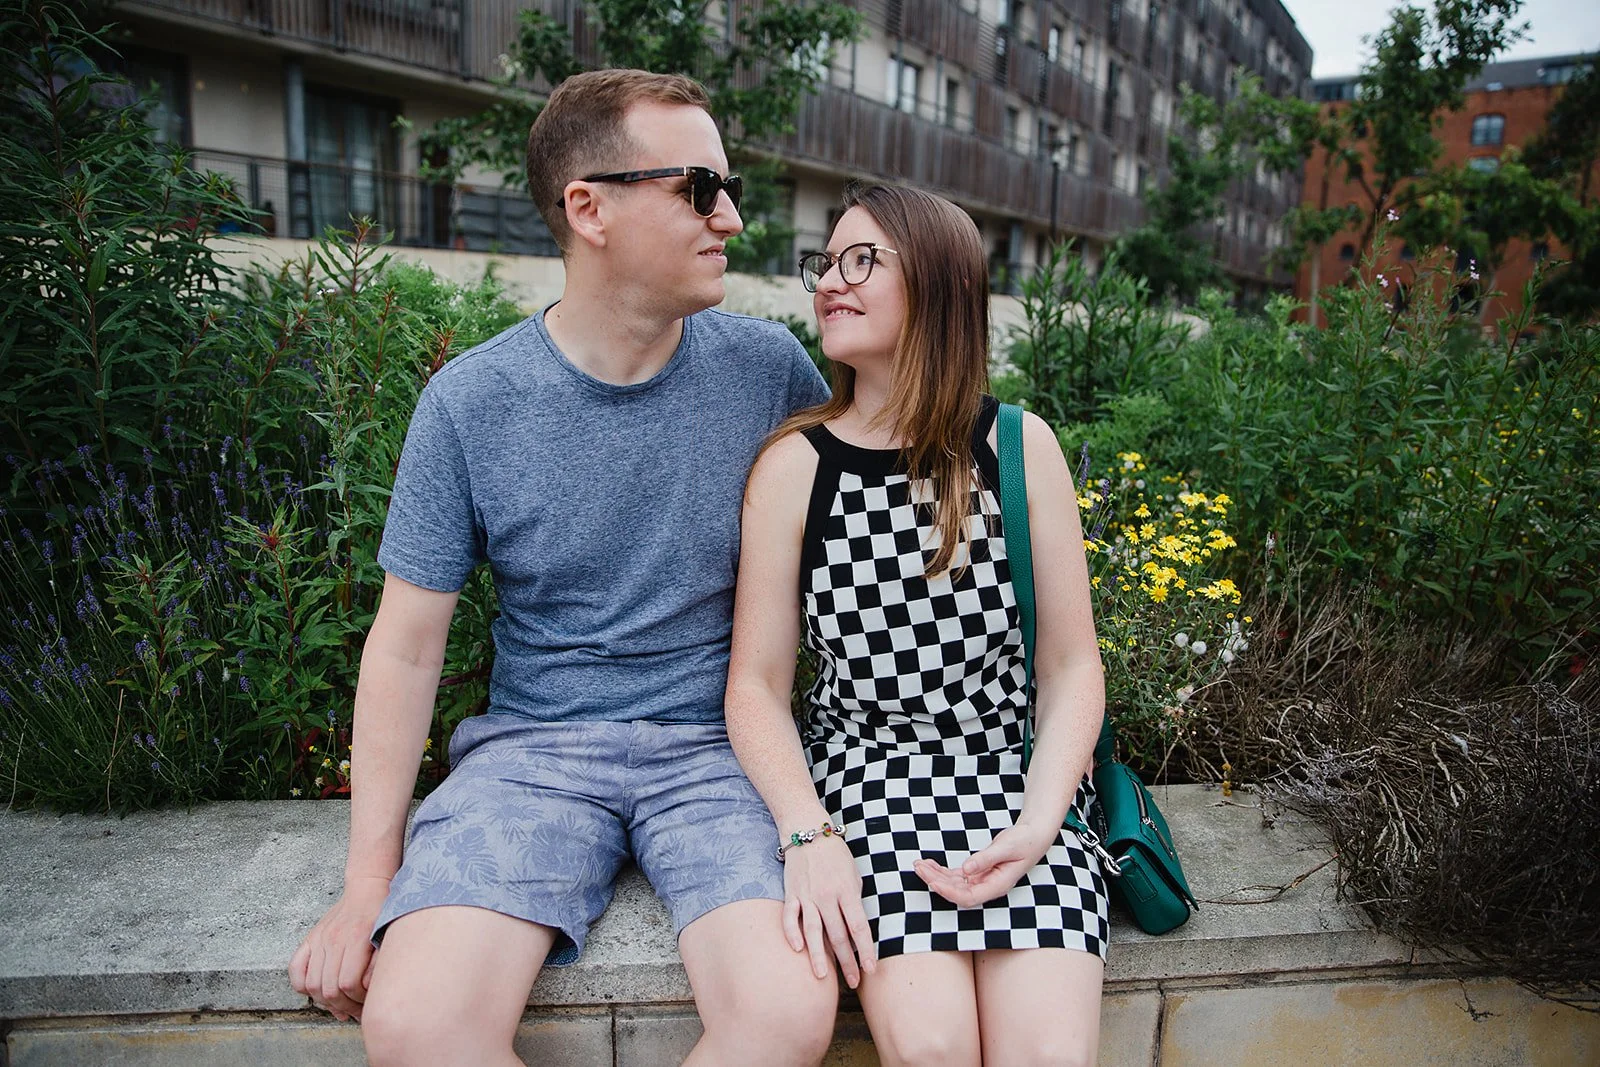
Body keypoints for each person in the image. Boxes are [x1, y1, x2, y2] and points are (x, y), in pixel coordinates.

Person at [287, 69, 838, 1067]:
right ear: (589, 208)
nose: (734, 216)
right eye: (699, 189)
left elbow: (865, 552)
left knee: (788, 1012)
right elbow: (407, 649)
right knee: (415, 1022)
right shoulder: (472, 402)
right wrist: (369, 879)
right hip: (532, 753)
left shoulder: (768, 373)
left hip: (719, 753)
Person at [725, 183, 1110, 1066]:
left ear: (937, 285)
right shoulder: (795, 466)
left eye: (861, 260)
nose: (830, 280)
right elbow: (754, 685)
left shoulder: (1018, 446)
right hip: (867, 786)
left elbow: (1070, 668)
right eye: (825, 262)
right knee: (932, 1049)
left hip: (1017, 780)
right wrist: (805, 829)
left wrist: (1042, 821)